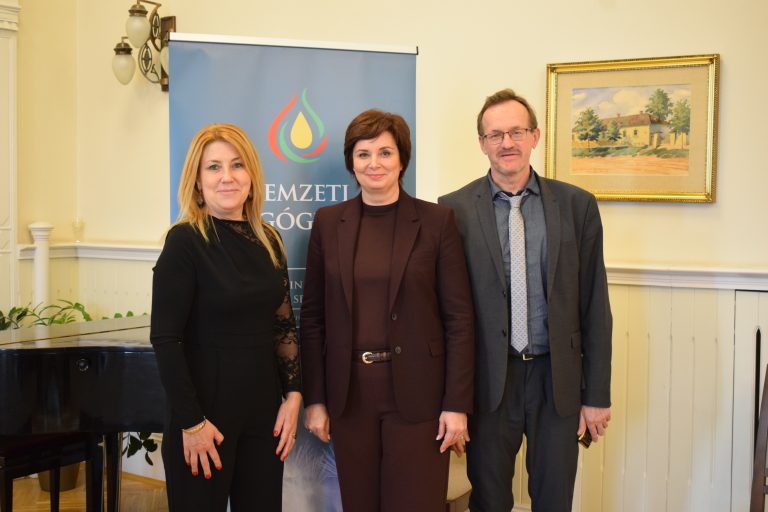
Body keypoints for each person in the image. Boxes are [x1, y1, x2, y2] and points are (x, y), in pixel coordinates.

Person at [439, 89, 613, 512]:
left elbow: (595, 305)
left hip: (557, 380)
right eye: (495, 134)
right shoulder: (453, 211)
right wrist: (452, 400)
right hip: (488, 381)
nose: (507, 143)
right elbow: (446, 314)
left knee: (554, 499)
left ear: (535, 136)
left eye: (516, 132)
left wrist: (597, 395)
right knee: (489, 500)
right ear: (482, 144)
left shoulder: (577, 205)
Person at [301, 109, 475, 511]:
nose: (374, 163)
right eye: (363, 154)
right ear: (351, 162)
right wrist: (316, 400)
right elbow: (312, 319)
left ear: (402, 159)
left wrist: (456, 404)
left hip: (419, 397)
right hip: (350, 396)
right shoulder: (328, 223)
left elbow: (460, 321)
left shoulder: (436, 221)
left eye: (385, 152)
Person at [150, 124, 301, 511]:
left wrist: (293, 396)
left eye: (237, 165)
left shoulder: (269, 239)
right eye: (214, 167)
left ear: (251, 175)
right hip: (204, 417)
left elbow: (283, 326)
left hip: (263, 413)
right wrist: (192, 423)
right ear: (198, 181)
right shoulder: (184, 242)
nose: (227, 176)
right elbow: (165, 339)